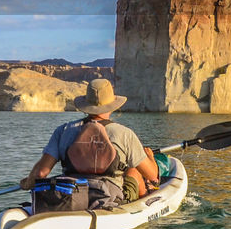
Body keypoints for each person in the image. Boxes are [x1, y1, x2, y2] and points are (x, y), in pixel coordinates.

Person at [20, 78, 158, 208]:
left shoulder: (63, 131)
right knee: (133, 170)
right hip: (109, 198)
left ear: (86, 105)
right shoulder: (125, 134)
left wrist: (27, 183)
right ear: (112, 106)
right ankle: (145, 204)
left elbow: (41, 173)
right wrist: (150, 157)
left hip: (70, 196)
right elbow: (151, 175)